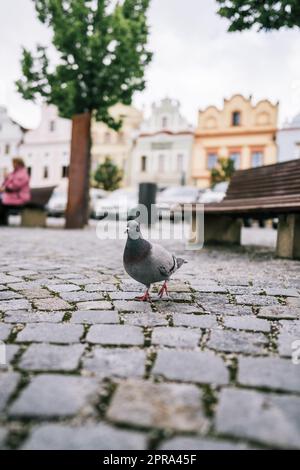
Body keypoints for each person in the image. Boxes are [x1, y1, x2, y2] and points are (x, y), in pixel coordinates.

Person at [0, 158, 31, 226]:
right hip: (12, 197)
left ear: (19, 163)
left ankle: (2, 223)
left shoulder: (22, 174)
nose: (13, 164)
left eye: (14, 163)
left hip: (19, 198)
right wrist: (5, 179)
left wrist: (5, 189)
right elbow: (6, 184)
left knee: (1, 204)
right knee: (2, 203)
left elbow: (15, 186)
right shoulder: (13, 173)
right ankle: (3, 222)